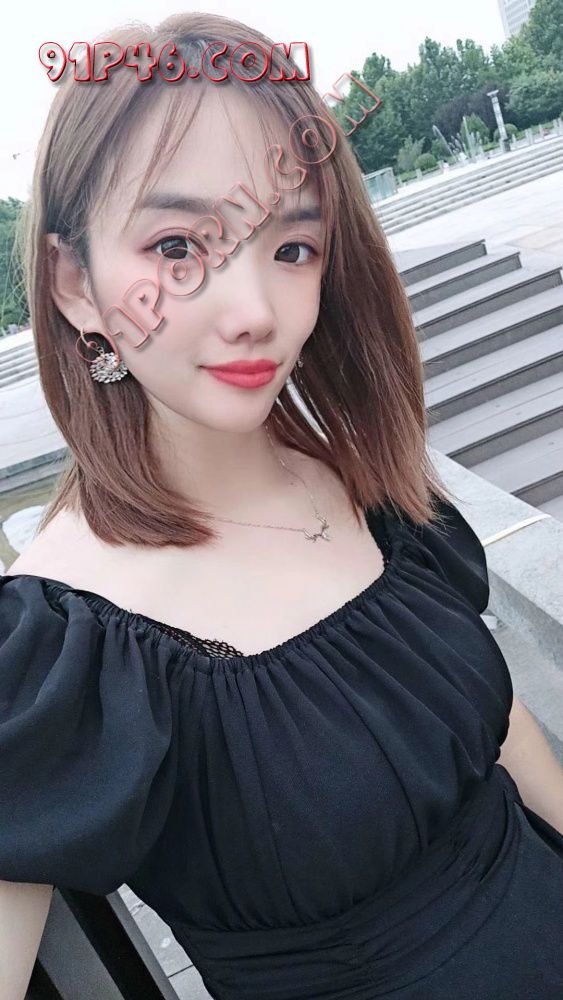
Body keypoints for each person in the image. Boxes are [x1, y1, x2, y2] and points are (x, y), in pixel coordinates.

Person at [1, 10, 563, 1000]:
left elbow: (495, 724)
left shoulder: (365, 483)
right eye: (178, 245)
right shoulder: (57, 654)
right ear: (75, 284)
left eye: (293, 247)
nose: (254, 310)